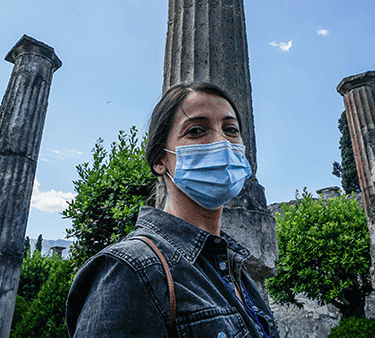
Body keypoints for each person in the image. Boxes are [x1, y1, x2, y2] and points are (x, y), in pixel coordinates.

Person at [66, 82, 279, 337]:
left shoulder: (237, 272)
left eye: (230, 129)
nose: (222, 142)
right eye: (197, 130)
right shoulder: (130, 269)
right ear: (159, 160)